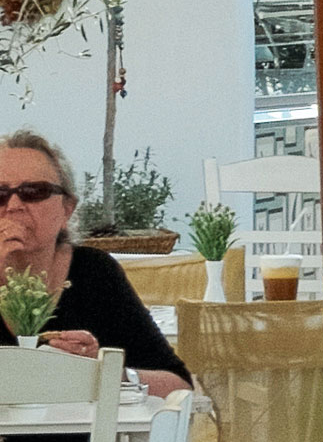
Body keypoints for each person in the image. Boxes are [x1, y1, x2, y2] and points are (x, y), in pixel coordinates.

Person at [0, 130, 187, 396]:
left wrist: (102, 372)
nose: (14, 205)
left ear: (67, 209)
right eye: (0, 193)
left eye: (34, 191)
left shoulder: (93, 272)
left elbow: (178, 386)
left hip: (79, 424)